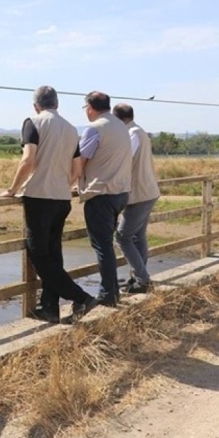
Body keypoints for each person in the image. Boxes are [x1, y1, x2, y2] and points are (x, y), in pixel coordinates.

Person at [0, 86, 97, 324]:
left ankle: (82, 297)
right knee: (53, 253)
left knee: (39, 255)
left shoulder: (33, 123)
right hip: (62, 198)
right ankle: (50, 308)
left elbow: (28, 160)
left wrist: (13, 189)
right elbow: (77, 170)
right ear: (57, 104)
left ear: (36, 106)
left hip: (39, 198)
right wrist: (63, 184)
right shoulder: (72, 129)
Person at [78, 91, 132, 307]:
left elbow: (80, 161)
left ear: (90, 107)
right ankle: (113, 291)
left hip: (101, 193)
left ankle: (108, 293)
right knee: (106, 243)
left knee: (102, 245)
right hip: (121, 192)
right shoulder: (121, 126)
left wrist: (70, 181)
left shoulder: (94, 128)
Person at [112, 103, 160, 294]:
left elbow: (125, 159)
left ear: (118, 119)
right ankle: (138, 278)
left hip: (138, 193)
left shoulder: (131, 134)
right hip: (148, 191)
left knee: (122, 237)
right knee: (138, 236)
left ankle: (143, 280)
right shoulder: (140, 132)